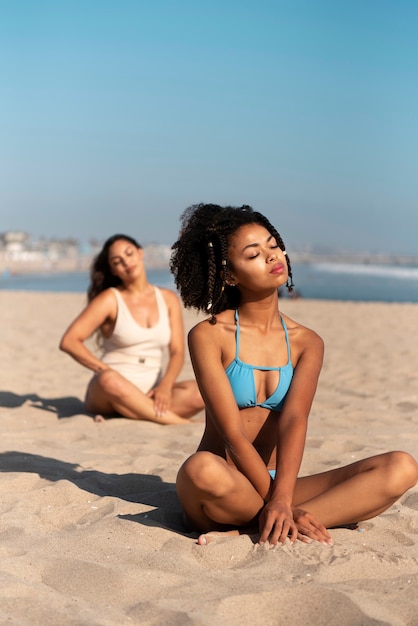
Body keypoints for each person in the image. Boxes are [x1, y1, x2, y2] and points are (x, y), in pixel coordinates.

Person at [170, 203, 418, 545]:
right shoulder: (208, 336)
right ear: (229, 275)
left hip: (279, 483)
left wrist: (283, 498)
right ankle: (290, 518)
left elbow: (294, 420)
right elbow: (231, 434)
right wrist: (281, 502)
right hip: (226, 482)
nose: (273, 257)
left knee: (402, 467)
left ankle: (264, 525)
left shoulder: (307, 342)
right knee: (199, 469)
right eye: (254, 254)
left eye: (274, 245)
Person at [60, 234, 204, 425]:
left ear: (140, 253)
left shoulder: (168, 299)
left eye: (129, 254)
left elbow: (177, 352)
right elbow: (69, 341)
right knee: (108, 379)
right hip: (108, 392)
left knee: (201, 393)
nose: (126, 262)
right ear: (113, 270)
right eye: (117, 261)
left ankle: (137, 409)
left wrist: (165, 386)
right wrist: (104, 370)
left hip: (152, 391)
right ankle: (179, 422)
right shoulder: (110, 299)